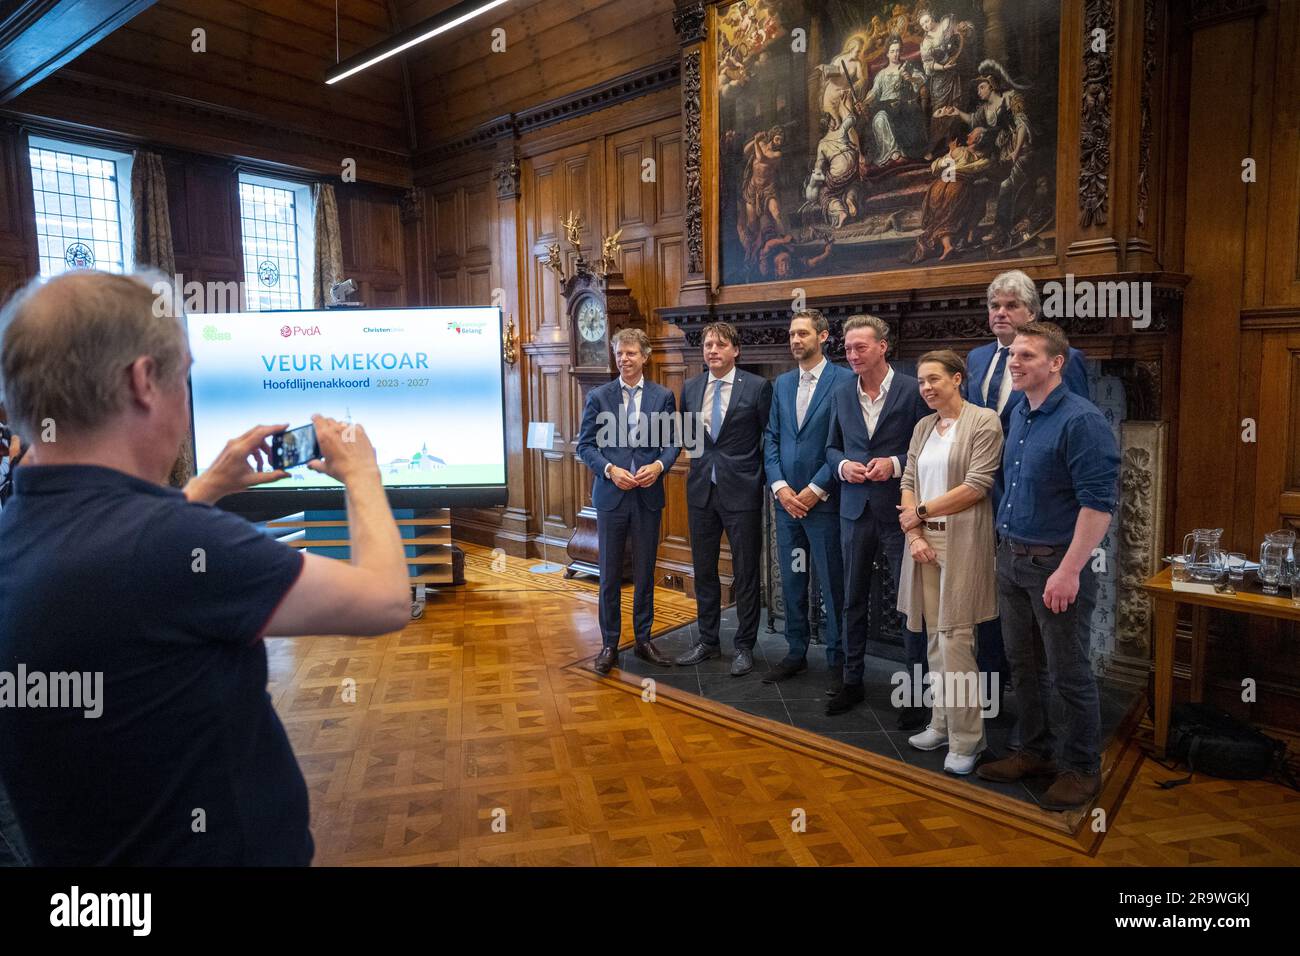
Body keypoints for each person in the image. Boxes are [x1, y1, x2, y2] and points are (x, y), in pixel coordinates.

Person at [0, 270, 410, 865]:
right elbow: (387, 599)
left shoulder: (20, 528)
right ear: (143, 381)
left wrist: (208, 484)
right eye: (185, 378)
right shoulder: (173, 544)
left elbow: (116, 563)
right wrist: (362, 472)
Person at [975, 321, 1120, 809]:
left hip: (1056, 566)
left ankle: (1082, 767)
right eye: (1013, 355)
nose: (1014, 363)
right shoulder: (1020, 410)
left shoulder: (1082, 421)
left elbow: (1098, 504)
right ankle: (1033, 750)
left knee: (1069, 670)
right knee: (1024, 665)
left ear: (1057, 363)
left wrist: (1069, 570)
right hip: (1012, 559)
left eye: (1028, 356)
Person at [963, 270, 1090, 722]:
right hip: (987, 503)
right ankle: (999, 703)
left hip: (1044, 512)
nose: (1001, 312)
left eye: (1011, 305)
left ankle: (1066, 746)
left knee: (1055, 645)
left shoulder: (1065, 363)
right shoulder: (976, 358)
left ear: (1032, 313)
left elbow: (1073, 432)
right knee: (998, 615)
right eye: (995, 305)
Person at [896, 350, 1003, 775]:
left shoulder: (984, 421)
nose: (925, 387)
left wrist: (919, 515)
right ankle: (940, 723)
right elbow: (908, 480)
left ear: (957, 379)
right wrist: (915, 534)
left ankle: (968, 739)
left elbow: (977, 485)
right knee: (934, 641)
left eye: (934, 379)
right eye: (921, 380)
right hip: (922, 546)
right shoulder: (924, 426)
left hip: (963, 544)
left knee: (957, 640)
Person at [825, 314, 929, 718]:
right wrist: (841, 467)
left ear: (883, 346)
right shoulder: (841, 393)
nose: (851, 355)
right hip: (853, 509)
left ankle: (916, 694)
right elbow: (831, 448)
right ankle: (852, 681)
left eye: (860, 347)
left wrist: (896, 463)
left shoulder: (911, 390)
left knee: (909, 603)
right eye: (848, 348)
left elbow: (927, 446)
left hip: (900, 511)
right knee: (852, 598)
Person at [575, 327, 681, 675]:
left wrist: (659, 465)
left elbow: (672, 443)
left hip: (648, 496)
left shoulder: (663, 396)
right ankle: (609, 644)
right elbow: (585, 446)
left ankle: (644, 638)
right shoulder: (599, 396)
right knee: (608, 574)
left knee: (645, 571)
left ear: (645, 356)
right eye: (619, 353)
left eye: (631, 353)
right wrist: (608, 469)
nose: (624, 359)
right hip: (611, 497)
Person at [762, 310, 854, 689]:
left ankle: (838, 660)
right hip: (786, 505)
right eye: (791, 335)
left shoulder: (845, 381)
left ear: (824, 336)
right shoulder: (782, 383)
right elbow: (771, 437)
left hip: (826, 503)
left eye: (803, 334)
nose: (795, 340)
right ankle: (796, 651)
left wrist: (816, 489)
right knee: (793, 580)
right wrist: (780, 487)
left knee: (833, 584)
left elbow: (848, 442)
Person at [675, 322, 772, 676]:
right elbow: (689, 437)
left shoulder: (759, 387)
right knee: (704, 570)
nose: (712, 350)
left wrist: (759, 476)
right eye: (707, 344)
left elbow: (768, 437)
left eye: (720, 344)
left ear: (736, 350)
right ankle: (707, 640)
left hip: (742, 490)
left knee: (746, 572)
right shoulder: (691, 387)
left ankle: (744, 646)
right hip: (701, 490)